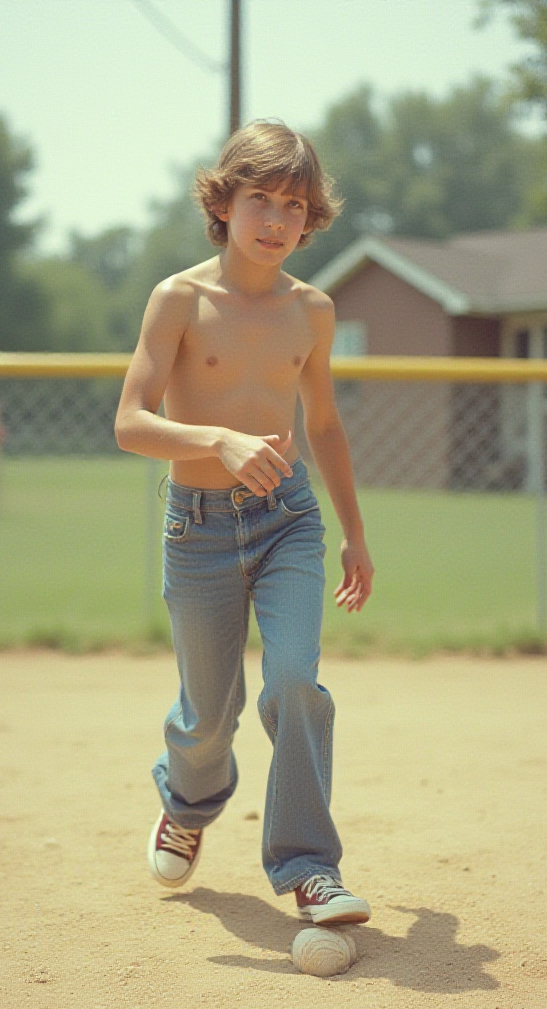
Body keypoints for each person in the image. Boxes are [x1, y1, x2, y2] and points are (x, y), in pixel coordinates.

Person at [114, 120, 374, 926]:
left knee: (295, 680)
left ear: (311, 218)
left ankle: (307, 866)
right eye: (259, 197)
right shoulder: (179, 299)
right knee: (209, 714)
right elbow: (129, 423)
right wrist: (215, 441)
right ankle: (188, 807)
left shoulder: (315, 311)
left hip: (287, 519)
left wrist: (354, 531)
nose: (275, 219)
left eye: (294, 205)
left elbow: (324, 425)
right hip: (197, 528)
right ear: (223, 202)